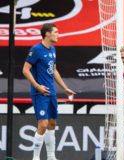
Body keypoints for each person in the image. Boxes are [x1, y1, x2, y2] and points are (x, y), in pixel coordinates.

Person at [22, 23, 75, 160]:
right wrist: (37, 86)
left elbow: (54, 70)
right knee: (43, 124)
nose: (58, 34)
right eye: (56, 32)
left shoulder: (52, 49)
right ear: (47, 34)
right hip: (40, 93)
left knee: (52, 123)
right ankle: (36, 157)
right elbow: (25, 70)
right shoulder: (36, 49)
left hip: (51, 92)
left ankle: (51, 157)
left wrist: (65, 88)